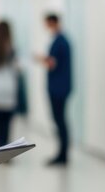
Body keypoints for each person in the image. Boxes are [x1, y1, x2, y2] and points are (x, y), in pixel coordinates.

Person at [37, 13, 72, 166]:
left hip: (59, 88)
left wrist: (40, 59)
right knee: (60, 120)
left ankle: (62, 155)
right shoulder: (62, 41)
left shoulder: (60, 42)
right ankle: (62, 153)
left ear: (52, 22)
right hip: (60, 87)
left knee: (60, 121)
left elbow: (52, 63)